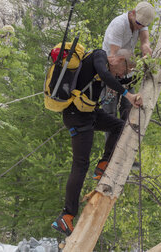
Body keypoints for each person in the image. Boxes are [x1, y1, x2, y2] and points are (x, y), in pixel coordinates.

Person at [51, 48, 143, 236]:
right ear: (118, 59)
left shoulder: (109, 70)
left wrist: (143, 74)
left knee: (118, 126)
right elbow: (105, 74)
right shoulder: (99, 56)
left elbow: (120, 80)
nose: (122, 74)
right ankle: (66, 216)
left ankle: (103, 164)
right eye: (124, 69)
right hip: (77, 116)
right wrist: (128, 95)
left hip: (89, 113)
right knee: (80, 165)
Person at [101, 1, 155, 121]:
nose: (139, 27)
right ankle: (112, 139)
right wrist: (112, 83)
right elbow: (113, 59)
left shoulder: (140, 21)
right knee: (110, 114)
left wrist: (145, 45)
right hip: (111, 71)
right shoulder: (119, 25)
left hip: (126, 71)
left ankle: (127, 138)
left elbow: (145, 38)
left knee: (129, 110)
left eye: (143, 25)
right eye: (138, 24)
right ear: (133, 13)